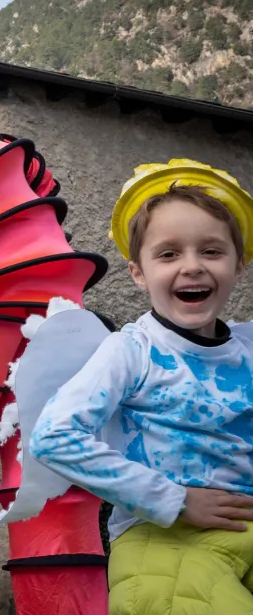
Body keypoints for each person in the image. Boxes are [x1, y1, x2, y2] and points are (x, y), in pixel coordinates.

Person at [29, 166, 253, 613]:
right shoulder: (131, 351)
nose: (192, 265)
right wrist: (172, 499)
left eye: (211, 250)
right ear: (138, 272)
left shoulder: (247, 346)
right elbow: (53, 437)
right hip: (162, 539)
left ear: (239, 263)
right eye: (168, 254)